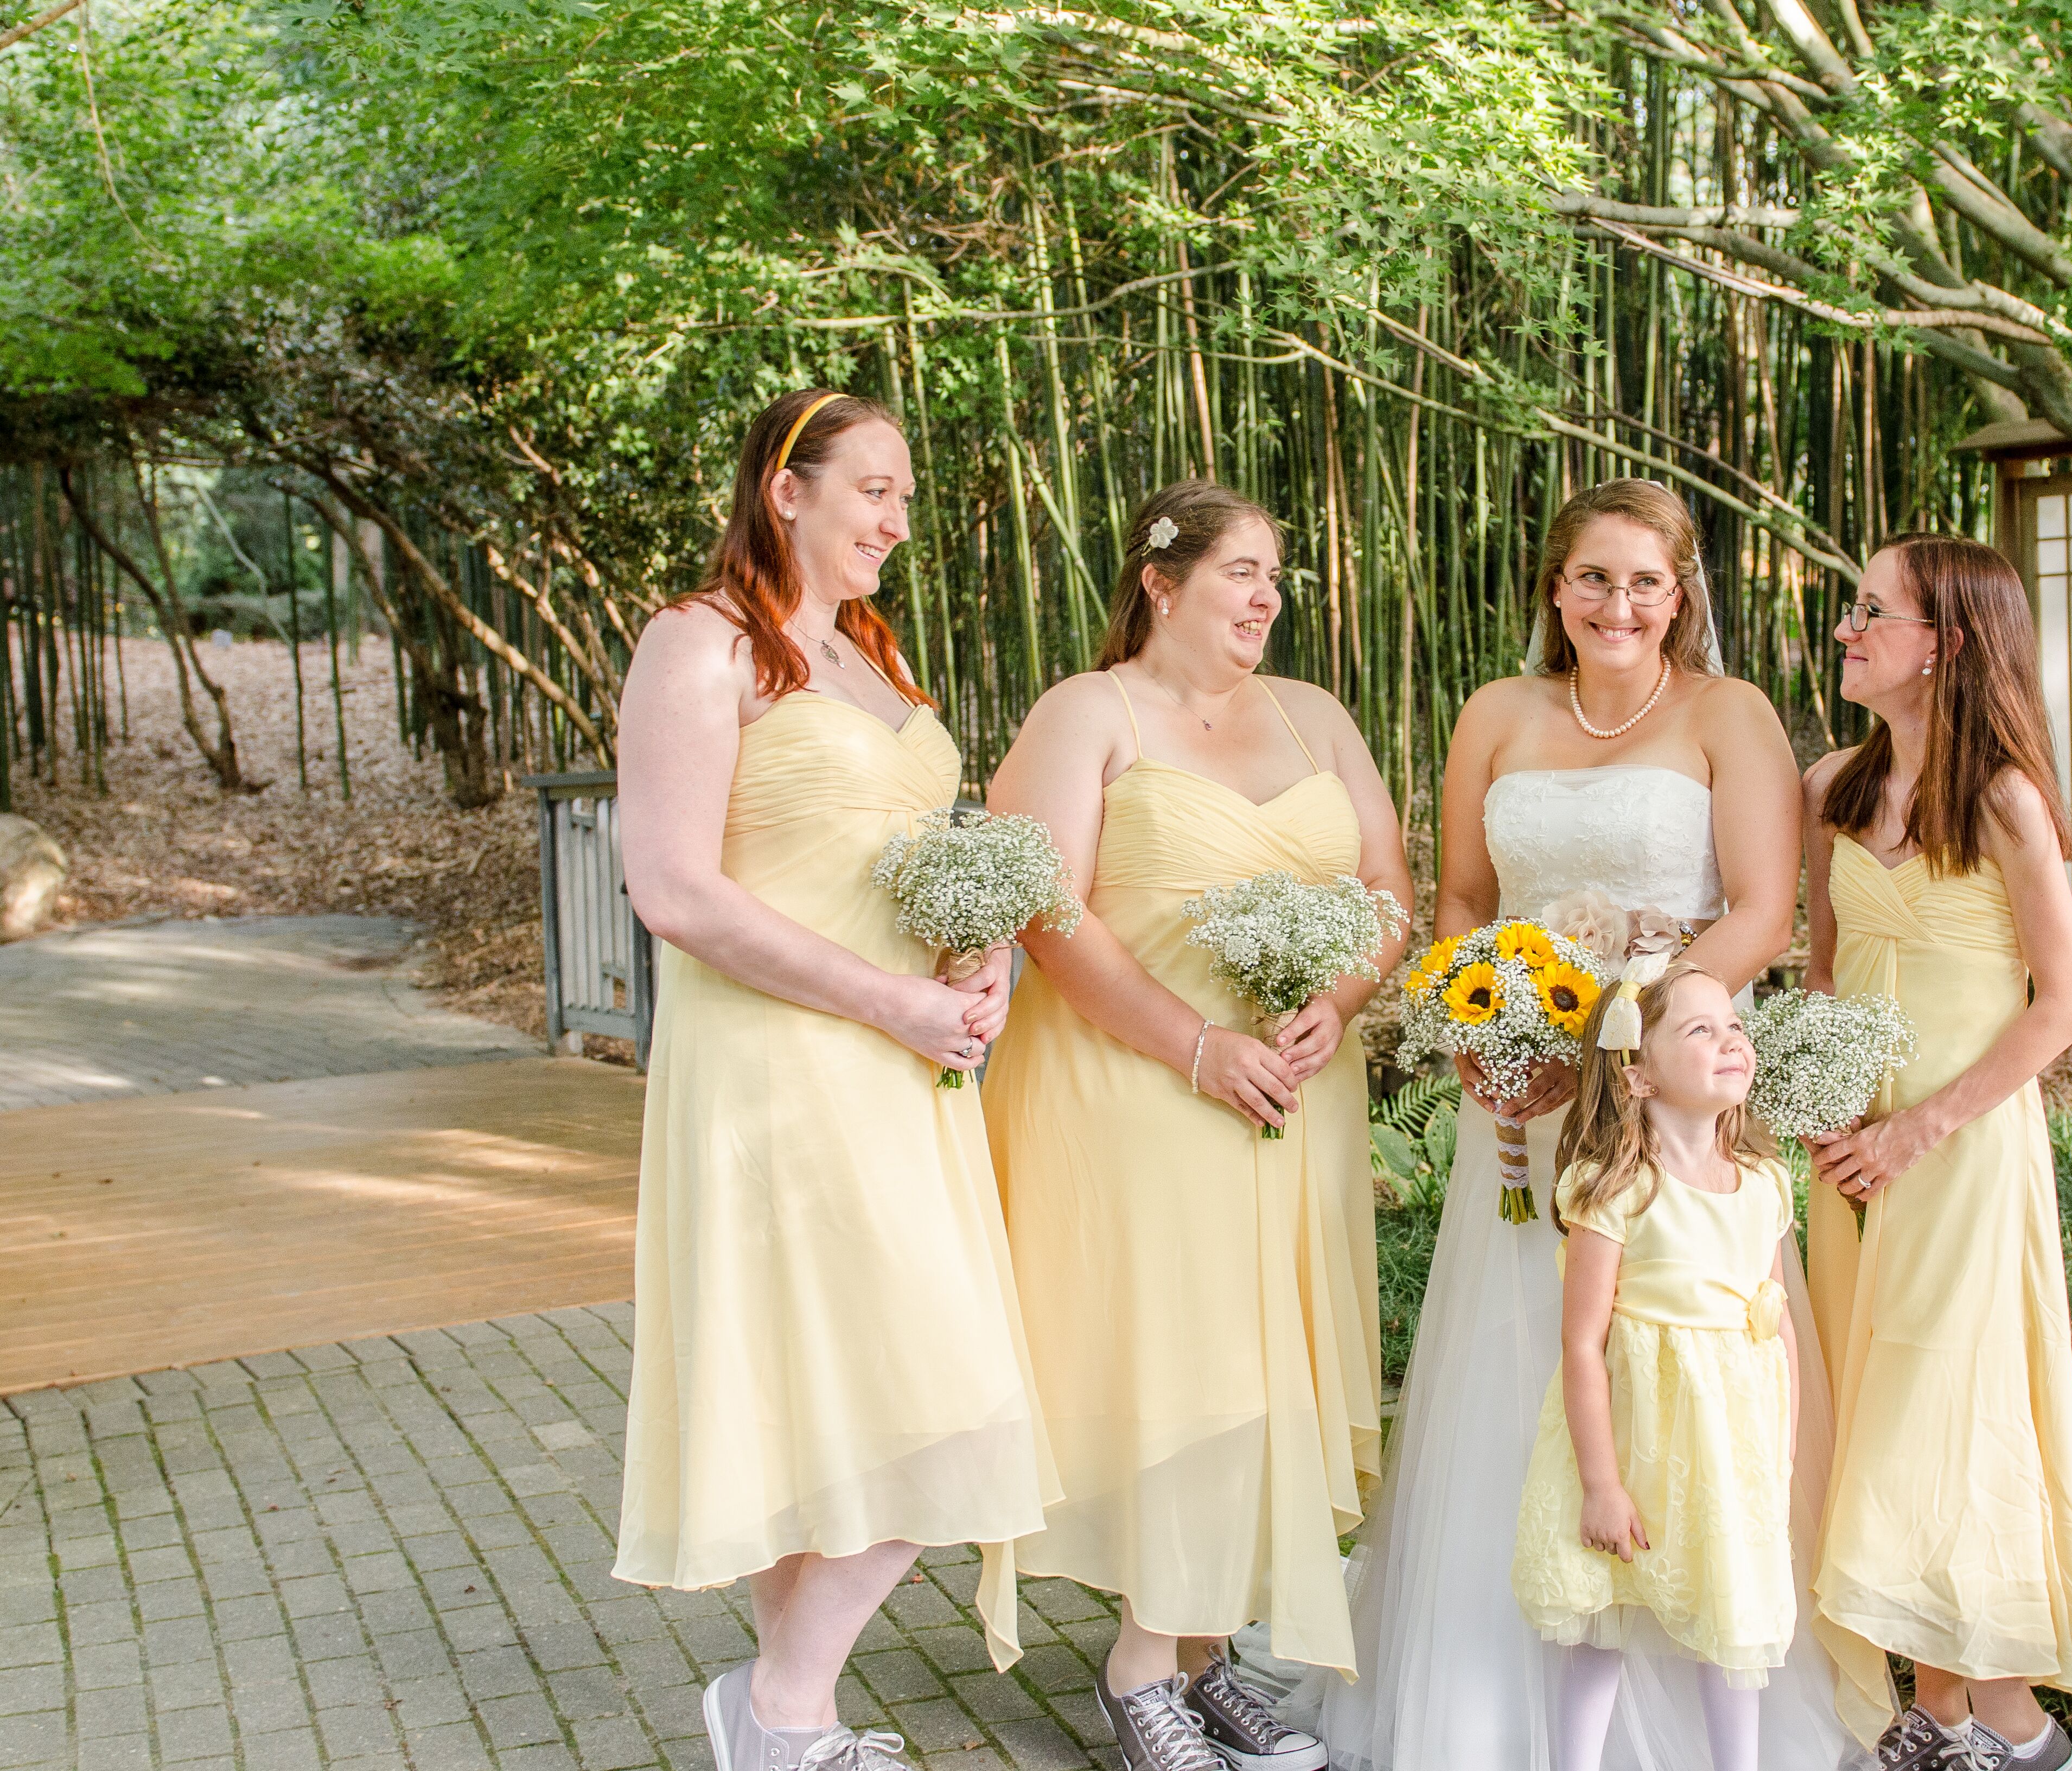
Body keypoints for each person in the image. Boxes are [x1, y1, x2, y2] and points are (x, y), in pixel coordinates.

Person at [1313, 479, 1881, 1770]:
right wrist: (1493, 1025)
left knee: (1665, 1360)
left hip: (1659, 1093)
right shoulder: (1496, 715)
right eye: (1591, 579)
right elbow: (1461, 896)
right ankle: (1484, 1689)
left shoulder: (1727, 716)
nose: (1616, 604)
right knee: (1515, 1351)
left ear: (1681, 595)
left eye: (1644, 581)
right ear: (1553, 590)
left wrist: (1624, 1032)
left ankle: (1692, 1670)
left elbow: (1758, 914)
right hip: (1516, 1095)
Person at [612, 389, 1057, 1771]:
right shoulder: (701, 645)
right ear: (783, 489)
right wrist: (894, 1002)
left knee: (898, 1388)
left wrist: (988, 958)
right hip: (780, 1068)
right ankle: (788, 1718)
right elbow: (676, 891)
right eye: (872, 489)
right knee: (892, 1387)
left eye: (905, 497)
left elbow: (928, 859)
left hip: (912, 1062)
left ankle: (773, 1715)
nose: (895, 521)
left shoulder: (877, 664)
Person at [981, 480, 1413, 1771]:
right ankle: (1138, 1672)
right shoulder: (1084, 715)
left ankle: (1209, 1648)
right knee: (1185, 1364)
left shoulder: (1317, 717)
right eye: (1240, 570)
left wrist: (1339, 1001)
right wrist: (1195, 1042)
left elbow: (1386, 887)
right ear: (1161, 583)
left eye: (1277, 573)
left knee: (1264, 1371)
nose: (1267, 594)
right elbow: (1049, 917)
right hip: (1141, 1088)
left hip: (1296, 1090)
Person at [1799, 535, 2072, 1771]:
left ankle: (1993, 1726)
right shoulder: (1831, 782)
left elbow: (2063, 1003)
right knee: (1871, 1408)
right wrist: (1823, 1102)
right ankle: (1959, 1717)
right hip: (1847, 1158)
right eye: (1852, 610)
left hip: (1960, 1150)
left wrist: (1916, 1127)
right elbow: (1823, 972)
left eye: (1872, 612)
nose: (1847, 629)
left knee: (1942, 1408)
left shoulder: (2003, 799)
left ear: (1948, 644)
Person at [1510, 962, 1813, 1771]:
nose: (1731, 1041)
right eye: (1700, 1029)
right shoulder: (1614, 1190)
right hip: (1637, 1435)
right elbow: (1582, 1344)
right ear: (1636, 1074)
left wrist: (1779, 1446)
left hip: (1729, 1444)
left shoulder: (1764, 1184)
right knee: (1603, 1605)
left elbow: (1774, 1324)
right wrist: (1603, 1483)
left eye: (1737, 1027)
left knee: (1729, 1608)